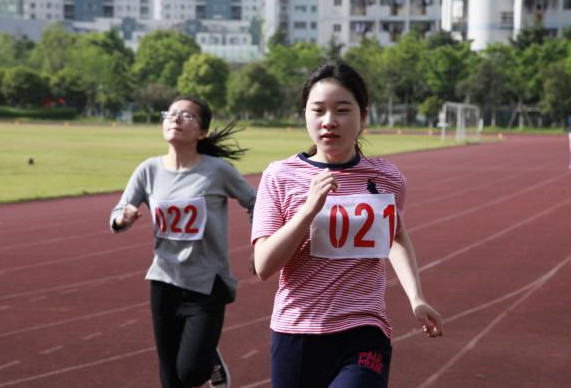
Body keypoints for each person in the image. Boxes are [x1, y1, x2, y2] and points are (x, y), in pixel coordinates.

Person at [251, 62, 443, 388]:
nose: (329, 121)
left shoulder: (387, 178)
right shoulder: (279, 176)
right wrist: (309, 210)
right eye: (318, 110)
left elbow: (395, 237)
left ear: (363, 117)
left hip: (363, 330)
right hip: (297, 331)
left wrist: (416, 297)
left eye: (342, 110)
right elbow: (264, 265)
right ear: (305, 116)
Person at [110, 96, 256, 388]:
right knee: (170, 377)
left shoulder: (216, 170)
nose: (175, 119)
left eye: (186, 116)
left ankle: (210, 360)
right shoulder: (148, 170)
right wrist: (122, 218)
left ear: (201, 132)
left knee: (191, 372)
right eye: (171, 114)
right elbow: (117, 212)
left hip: (206, 283)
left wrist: (260, 241)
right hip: (164, 280)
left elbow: (255, 202)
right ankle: (203, 354)